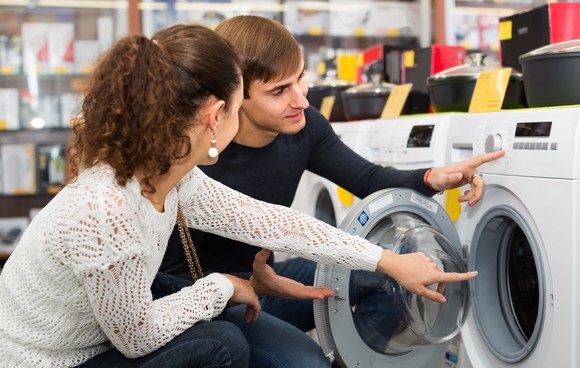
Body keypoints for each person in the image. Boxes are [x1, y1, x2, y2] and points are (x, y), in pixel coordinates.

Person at [0, 24, 478, 368]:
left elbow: (273, 223)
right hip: (54, 358)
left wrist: (387, 261)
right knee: (223, 345)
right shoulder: (107, 208)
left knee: (227, 331)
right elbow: (136, 337)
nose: (301, 99)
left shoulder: (171, 169)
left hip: (115, 319)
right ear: (217, 115)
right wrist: (224, 286)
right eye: (275, 90)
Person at [159, 15, 506, 368]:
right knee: (307, 362)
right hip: (209, 307)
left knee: (390, 278)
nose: (302, 101)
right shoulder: (198, 155)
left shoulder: (304, 127)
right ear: (235, 97)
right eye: (279, 91)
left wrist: (434, 177)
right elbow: (167, 288)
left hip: (269, 282)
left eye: (301, 77)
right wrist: (243, 286)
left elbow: (367, 180)